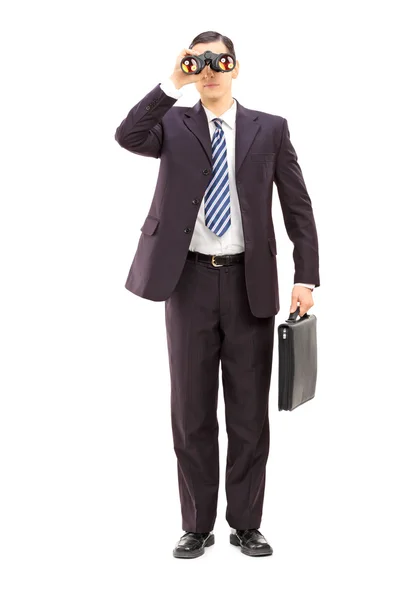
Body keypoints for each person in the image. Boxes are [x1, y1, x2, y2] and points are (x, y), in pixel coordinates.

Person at [114, 30, 320, 559]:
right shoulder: (172, 125)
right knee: (191, 410)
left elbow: (298, 207)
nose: (209, 70)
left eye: (219, 61)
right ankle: (196, 525)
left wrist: (305, 276)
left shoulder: (269, 129)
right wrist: (170, 80)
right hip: (187, 282)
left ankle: (246, 524)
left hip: (251, 282)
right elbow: (126, 134)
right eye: (198, 62)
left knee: (250, 413)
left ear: (236, 67)